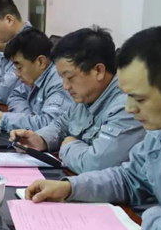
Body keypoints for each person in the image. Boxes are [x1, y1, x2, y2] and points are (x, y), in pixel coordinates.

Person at [24, 26, 161, 230]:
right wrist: (70, 188)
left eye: (139, 99)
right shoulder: (160, 132)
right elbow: (129, 178)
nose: (129, 108)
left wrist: (153, 212)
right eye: (127, 95)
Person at [10, 27, 145, 174]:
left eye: (70, 77)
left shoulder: (126, 106)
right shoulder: (87, 95)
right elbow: (62, 124)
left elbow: (96, 164)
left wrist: (68, 146)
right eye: (62, 78)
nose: (65, 86)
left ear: (98, 71)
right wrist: (40, 139)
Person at [0, 28, 73, 132]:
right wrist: (27, 117)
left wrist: (3, 119)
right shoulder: (34, 77)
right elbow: (15, 95)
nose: (17, 74)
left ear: (41, 62)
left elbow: (48, 125)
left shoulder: (59, 83)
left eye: (19, 67)